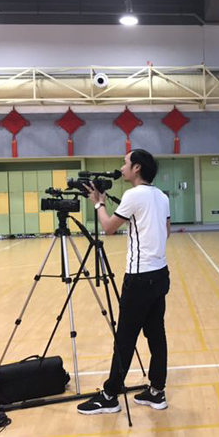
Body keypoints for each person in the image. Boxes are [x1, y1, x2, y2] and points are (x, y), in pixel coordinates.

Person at [77, 149, 171, 414]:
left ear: (137, 167)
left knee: (125, 338)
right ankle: (157, 391)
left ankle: (109, 395)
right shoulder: (162, 196)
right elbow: (166, 231)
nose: (122, 167)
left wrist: (98, 203)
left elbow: (108, 227)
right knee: (156, 335)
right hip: (160, 273)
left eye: (125, 162)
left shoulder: (133, 195)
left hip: (139, 278)